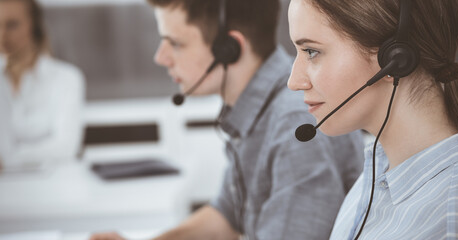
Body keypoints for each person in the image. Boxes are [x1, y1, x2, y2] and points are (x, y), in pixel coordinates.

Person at [90, 0, 364, 239]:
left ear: (229, 48)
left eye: (175, 43)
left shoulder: (293, 126)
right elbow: (226, 215)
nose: (160, 58)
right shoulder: (255, 111)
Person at [287, 0, 458, 239]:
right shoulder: (377, 171)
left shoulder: (452, 221)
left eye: (312, 52)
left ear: (394, 57)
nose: (294, 81)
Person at [0, 0, 85, 171]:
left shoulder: (66, 79)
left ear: (35, 27)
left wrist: (10, 160)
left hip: (54, 184)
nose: (2, 35)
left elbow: (66, 147)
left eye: (12, 25)